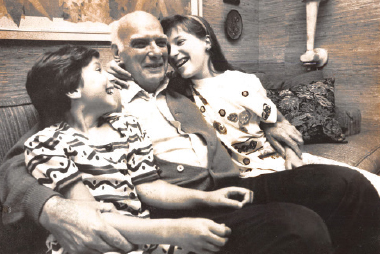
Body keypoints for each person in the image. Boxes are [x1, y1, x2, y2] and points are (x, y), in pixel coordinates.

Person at [0, 11, 380, 254]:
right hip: (176, 201)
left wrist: (273, 120)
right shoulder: (106, 96)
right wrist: (51, 207)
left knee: (344, 185)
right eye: (141, 44)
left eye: (161, 42)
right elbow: (16, 162)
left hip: (230, 183)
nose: (158, 52)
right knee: (300, 228)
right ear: (118, 53)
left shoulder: (181, 85)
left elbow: (235, 89)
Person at [23, 44, 254, 254]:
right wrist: (174, 230)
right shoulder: (47, 143)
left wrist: (208, 198)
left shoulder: (128, 126)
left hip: (145, 238)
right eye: (98, 70)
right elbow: (88, 217)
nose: (111, 77)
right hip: (94, 243)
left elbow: (150, 187)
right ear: (72, 90)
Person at [158, 14, 380, 195]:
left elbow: (280, 125)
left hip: (280, 163)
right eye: (168, 48)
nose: (173, 53)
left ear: (207, 42)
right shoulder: (176, 91)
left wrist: (292, 157)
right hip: (251, 180)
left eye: (180, 42)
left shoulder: (241, 81)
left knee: (368, 186)